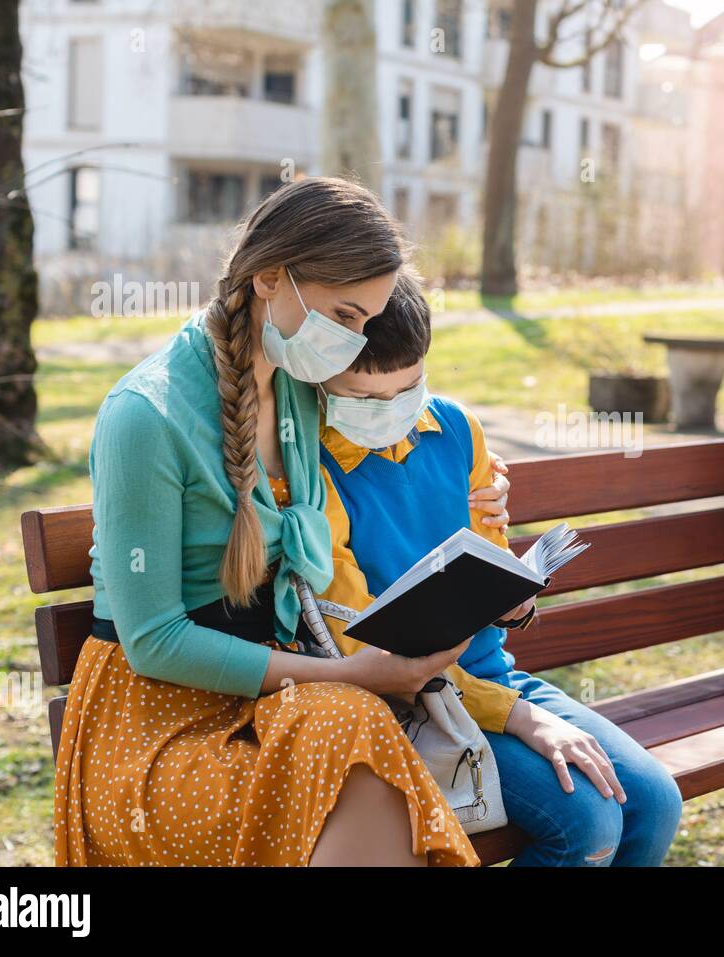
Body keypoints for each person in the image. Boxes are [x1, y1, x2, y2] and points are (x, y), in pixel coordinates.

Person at [55, 177, 513, 867]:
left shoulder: (298, 385)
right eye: (346, 314)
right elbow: (154, 642)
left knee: (356, 734)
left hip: (273, 696)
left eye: (368, 322)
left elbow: (399, 424)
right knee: (354, 723)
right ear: (271, 278)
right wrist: (357, 675)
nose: (356, 342)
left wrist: (487, 483)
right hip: (156, 723)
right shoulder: (144, 416)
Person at [313, 276, 683, 866]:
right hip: (412, 703)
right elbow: (359, 641)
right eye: (364, 400)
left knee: (656, 803)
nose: (392, 416)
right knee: (587, 824)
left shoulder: (455, 428)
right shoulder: (312, 464)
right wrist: (521, 718)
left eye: (408, 391)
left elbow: (488, 555)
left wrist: (513, 599)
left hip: (493, 677)